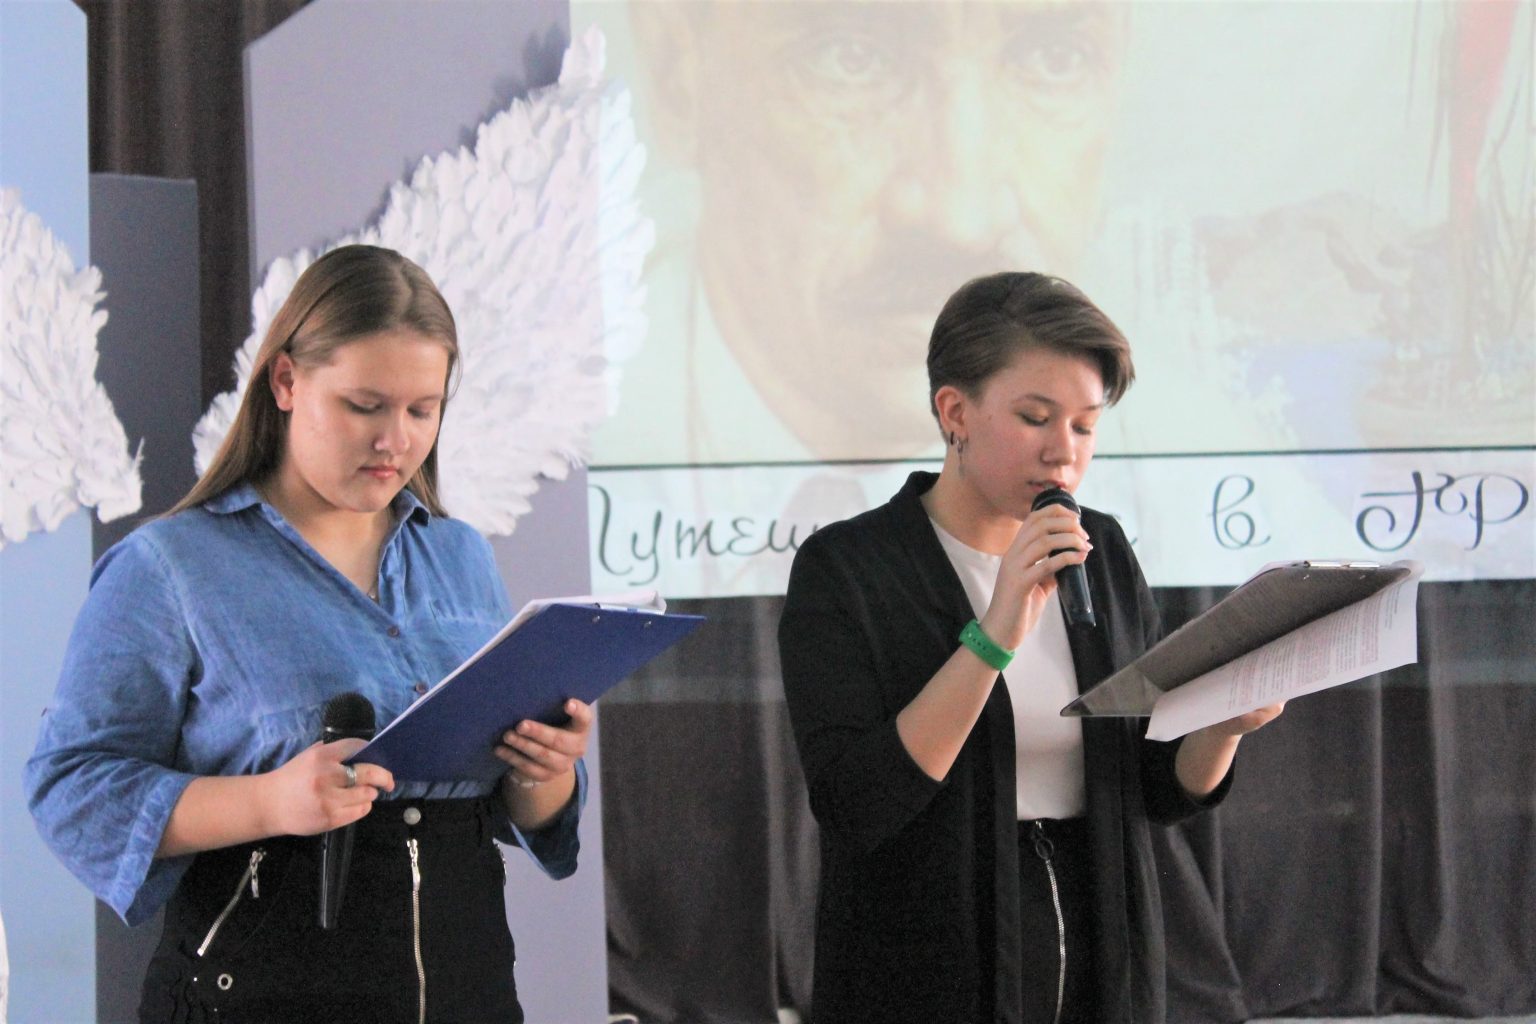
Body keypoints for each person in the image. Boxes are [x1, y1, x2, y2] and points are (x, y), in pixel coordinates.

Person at [25, 244, 590, 1024]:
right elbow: (71, 789)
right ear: (286, 381)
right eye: (364, 406)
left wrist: (543, 768)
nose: (395, 440)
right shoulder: (169, 566)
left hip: (473, 994)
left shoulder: (461, 555)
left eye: (422, 410)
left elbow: (519, 813)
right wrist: (270, 801)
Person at [777, 271, 1285, 1024]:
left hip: (1100, 948)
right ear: (955, 412)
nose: (1063, 453)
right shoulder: (849, 568)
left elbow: (1154, 788)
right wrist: (993, 636)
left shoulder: (1100, 549)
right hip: (926, 967)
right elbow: (859, 804)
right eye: (1035, 417)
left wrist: (1224, 724)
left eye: (1084, 426)